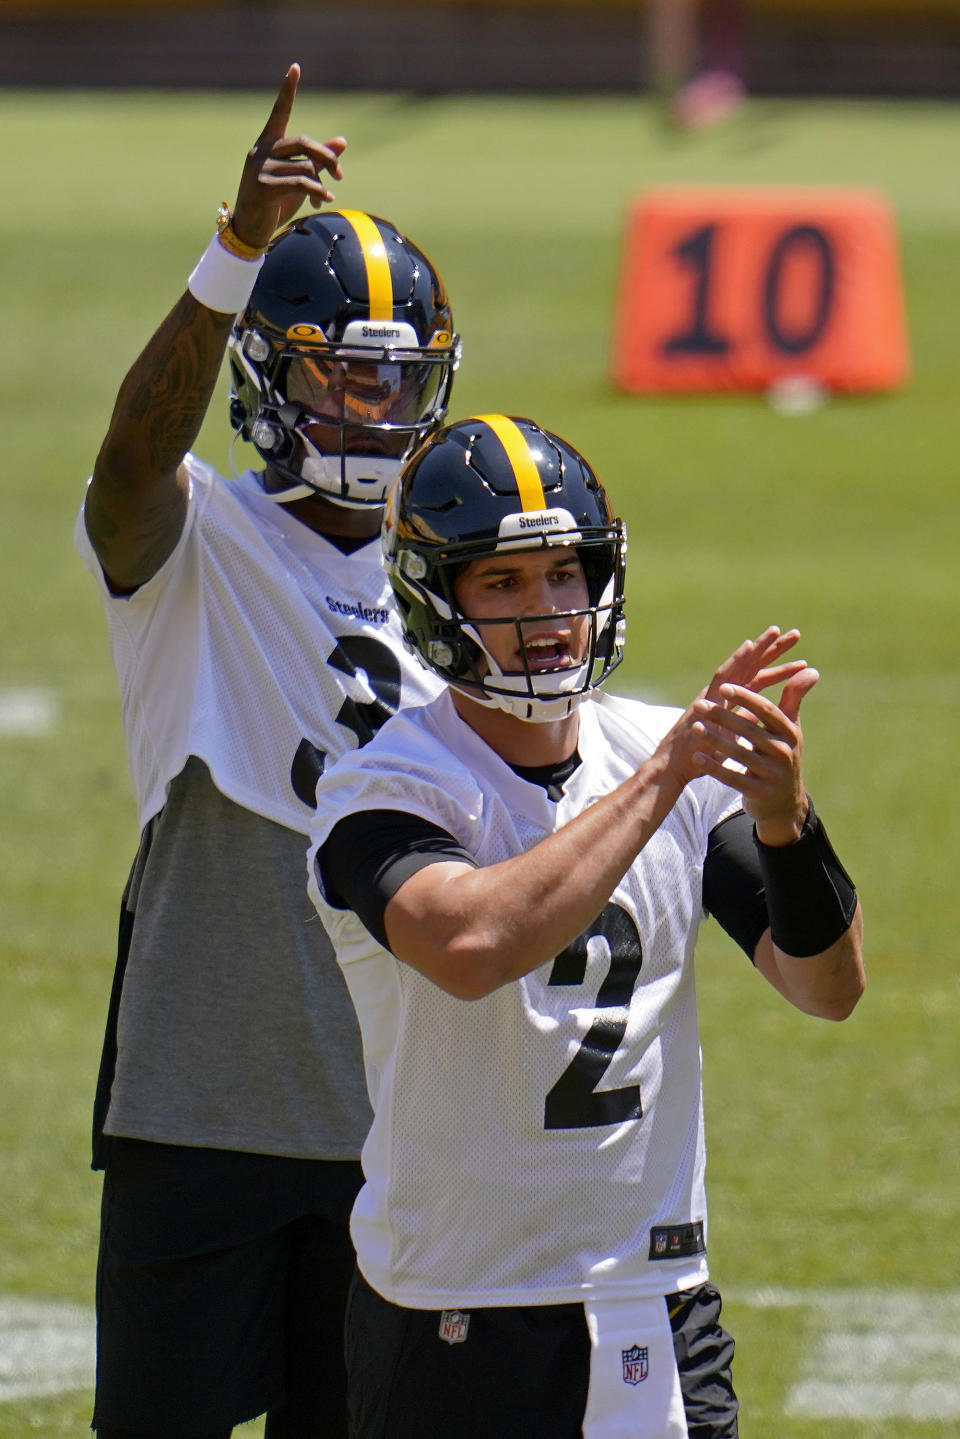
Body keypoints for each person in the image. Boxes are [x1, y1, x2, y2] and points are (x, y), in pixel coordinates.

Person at [307, 413, 865, 1438]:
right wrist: (663, 778)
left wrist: (788, 825)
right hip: (455, 1301)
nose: (550, 612)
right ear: (438, 599)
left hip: (651, 1292)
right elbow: (469, 947)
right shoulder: (385, 785)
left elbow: (826, 986)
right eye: (504, 582)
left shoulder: (662, 757)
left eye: (566, 573)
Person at [74, 63, 460, 1439]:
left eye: (392, 380)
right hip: (200, 1102)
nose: (367, 407)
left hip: (395, 1118)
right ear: (266, 370)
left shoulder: (457, 580)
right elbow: (128, 461)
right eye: (338, 374)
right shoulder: (196, 538)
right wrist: (232, 252)